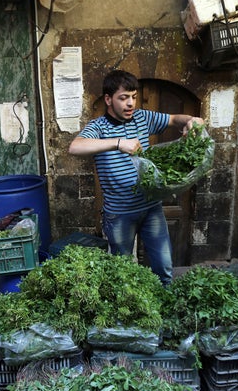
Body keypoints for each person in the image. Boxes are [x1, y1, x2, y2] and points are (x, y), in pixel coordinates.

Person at [68, 69, 204, 286]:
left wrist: (191, 120)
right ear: (108, 99)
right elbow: (75, 147)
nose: (130, 103)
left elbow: (174, 119)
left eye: (133, 97)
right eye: (123, 98)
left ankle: (164, 303)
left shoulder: (142, 117)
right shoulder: (98, 127)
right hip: (119, 214)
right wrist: (118, 143)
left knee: (164, 266)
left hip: (151, 208)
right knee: (123, 273)